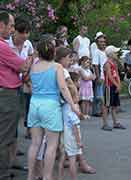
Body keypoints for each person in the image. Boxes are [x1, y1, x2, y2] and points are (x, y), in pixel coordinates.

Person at [27, 35, 80, 180]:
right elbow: (63, 88)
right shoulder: (57, 67)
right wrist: (73, 106)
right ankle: (47, 177)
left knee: (35, 144)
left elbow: (29, 82)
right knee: (51, 145)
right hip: (50, 106)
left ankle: (30, 176)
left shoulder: (34, 66)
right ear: (53, 53)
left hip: (34, 105)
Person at [0, 10, 32, 179]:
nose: (12, 29)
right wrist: (27, 62)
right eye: (11, 25)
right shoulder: (3, 46)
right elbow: (23, 66)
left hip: (9, 92)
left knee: (10, 132)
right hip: (7, 94)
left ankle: (10, 163)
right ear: (1, 25)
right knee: (5, 136)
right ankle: (3, 173)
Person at [55, 47, 96, 176]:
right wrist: (76, 104)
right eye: (69, 58)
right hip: (68, 112)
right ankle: (80, 166)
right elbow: (75, 125)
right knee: (72, 155)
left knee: (60, 153)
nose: (71, 60)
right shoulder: (62, 71)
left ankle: (58, 176)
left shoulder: (53, 69)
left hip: (59, 109)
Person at [102, 45, 126, 131]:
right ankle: (105, 124)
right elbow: (109, 76)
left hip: (114, 85)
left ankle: (115, 122)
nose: (116, 54)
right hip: (109, 86)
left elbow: (117, 75)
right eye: (115, 52)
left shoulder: (114, 63)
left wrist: (119, 84)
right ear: (110, 54)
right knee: (106, 105)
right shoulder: (107, 64)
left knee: (115, 105)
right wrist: (117, 85)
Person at [92, 33, 107, 117]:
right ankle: (96, 111)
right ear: (97, 43)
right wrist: (98, 77)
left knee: (103, 94)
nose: (103, 43)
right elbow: (95, 65)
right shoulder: (96, 52)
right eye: (101, 42)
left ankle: (103, 110)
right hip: (100, 76)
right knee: (98, 94)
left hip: (106, 76)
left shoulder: (105, 52)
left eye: (104, 41)